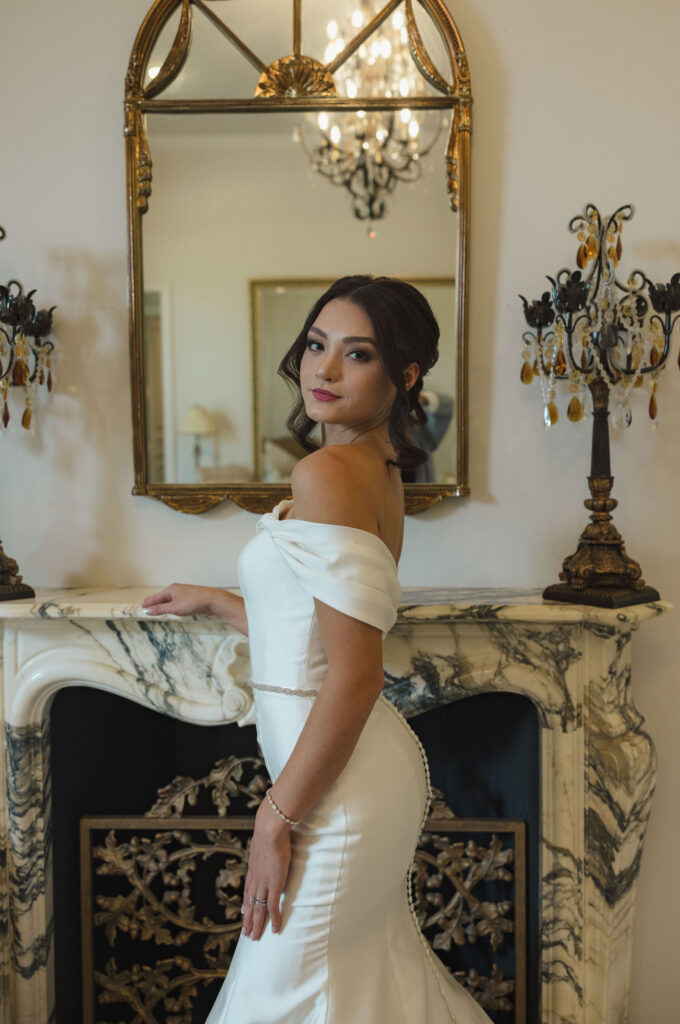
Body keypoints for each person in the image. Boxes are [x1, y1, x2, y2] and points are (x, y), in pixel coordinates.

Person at [142, 275, 492, 1023]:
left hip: (337, 794)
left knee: (285, 995)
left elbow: (356, 674)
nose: (324, 369)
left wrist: (273, 820)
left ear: (405, 376)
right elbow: (317, 634)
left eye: (357, 354)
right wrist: (219, 602)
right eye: (315, 344)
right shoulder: (375, 469)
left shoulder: (327, 472)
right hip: (350, 774)